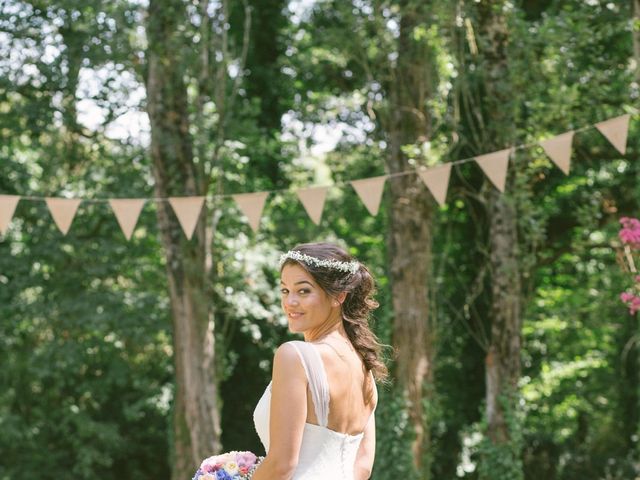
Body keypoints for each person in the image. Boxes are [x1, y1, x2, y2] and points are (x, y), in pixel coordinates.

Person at [252, 242, 390, 480]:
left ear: (339, 296)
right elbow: (363, 467)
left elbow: (281, 466)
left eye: (303, 291)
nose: (290, 302)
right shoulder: (365, 371)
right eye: (285, 290)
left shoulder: (294, 356)